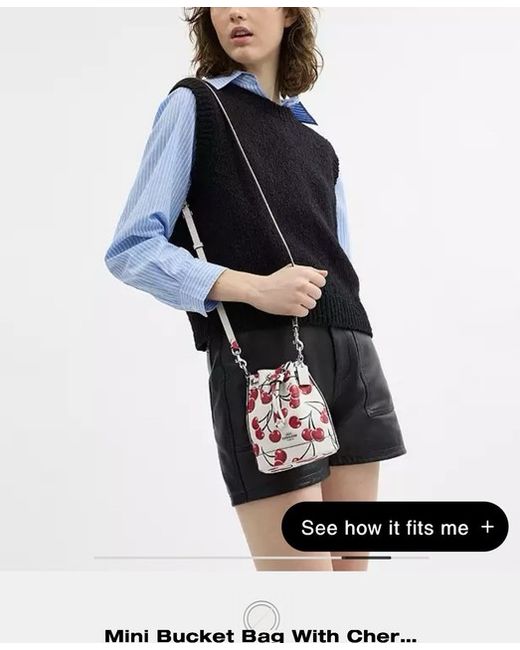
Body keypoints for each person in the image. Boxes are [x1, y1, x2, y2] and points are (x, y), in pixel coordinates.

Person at [104, 7, 407, 572]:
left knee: (351, 592)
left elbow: (338, 261)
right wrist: (251, 289)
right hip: (266, 361)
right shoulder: (195, 105)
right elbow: (132, 247)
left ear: (290, 13)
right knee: (304, 598)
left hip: (355, 363)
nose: (235, 11)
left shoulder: (316, 142)